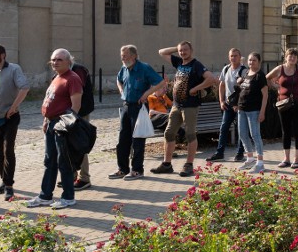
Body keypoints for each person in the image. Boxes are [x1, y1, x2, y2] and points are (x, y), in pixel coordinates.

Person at [26, 48, 82, 209]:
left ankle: (68, 197)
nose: (55, 62)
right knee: (49, 161)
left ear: (68, 62)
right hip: (51, 123)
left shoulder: (72, 78)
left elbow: (76, 106)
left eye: (59, 60)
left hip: (62, 124)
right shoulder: (56, 77)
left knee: (63, 161)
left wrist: (65, 125)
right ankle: (45, 196)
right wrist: (46, 119)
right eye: (53, 60)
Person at [152, 41, 218, 177]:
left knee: (190, 135)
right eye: (181, 50)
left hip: (190, 106)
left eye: (185, 50)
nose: (183, 52)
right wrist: (176, 48)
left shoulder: (196, 65)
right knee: (169, 133)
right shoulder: (179, 62)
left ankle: (189, 165)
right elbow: (161, 52)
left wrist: (195, 88)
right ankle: (166, 164)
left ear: (191, 50)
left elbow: (211, 78)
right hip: (177, 105)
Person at [108, 45, 166, 181]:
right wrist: (121, 91)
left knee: (138, 139)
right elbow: (119, 80)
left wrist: (146, 94)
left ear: (134, 56)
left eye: (125, 55)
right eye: (121, 55)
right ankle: (122, 169)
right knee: (123, 139)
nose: (123, 58)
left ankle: (137, 170)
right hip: (126, 106)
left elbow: (160, 82)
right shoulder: (124, 68)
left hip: (139, 107)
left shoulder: (144, 68)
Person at [0, 44, 29, 201]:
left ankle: (9, 186)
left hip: (9, 117)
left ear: (3, 55)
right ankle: (3, 180)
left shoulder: (14, 69)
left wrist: (14, 107)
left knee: (8, 150)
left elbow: (24, 88)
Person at [266, 48, 298, 169]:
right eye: (290, 56)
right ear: (285, 57)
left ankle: (296, 159)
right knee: (285, 131)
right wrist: (276, 86)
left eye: (294, 57)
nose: (292, 58)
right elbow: (267, 78)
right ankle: (286, 158)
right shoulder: (279, 69)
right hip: (284, 103)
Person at [206, 49, 247, 162]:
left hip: (239, 105)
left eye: (235, 56)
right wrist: (221, 101)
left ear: (240, 57)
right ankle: (220, 152)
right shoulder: (226, 69)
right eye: (231, 56)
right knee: (224, 128)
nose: (233, 58)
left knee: (241, 130)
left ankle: (240, 153)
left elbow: (246, 90)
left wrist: (239, 104)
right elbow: (222, 85)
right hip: (228, 104)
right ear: (229, 57)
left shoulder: (244, 71)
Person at [235, 52, 269, 174]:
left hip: (254, 110)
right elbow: (241, 88)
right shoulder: (245, 73)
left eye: (254, 60)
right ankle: (250, 158)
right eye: (249, 60)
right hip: (242, 109)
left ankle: (260, 163)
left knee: (255, 135)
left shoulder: (260, 76)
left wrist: (262, 112)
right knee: (243, 134)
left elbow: (265, 95)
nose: (251, 62)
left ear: (259, 62)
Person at [68, 61, 94, 191]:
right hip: (68, 113)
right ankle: (71, 175)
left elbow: (78, 91)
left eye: (58, 60)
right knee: (68, 145)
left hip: (79, 113)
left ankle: (84, 178)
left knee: (80, 144)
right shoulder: (65, 73)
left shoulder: (78, 71)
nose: (55, 63)